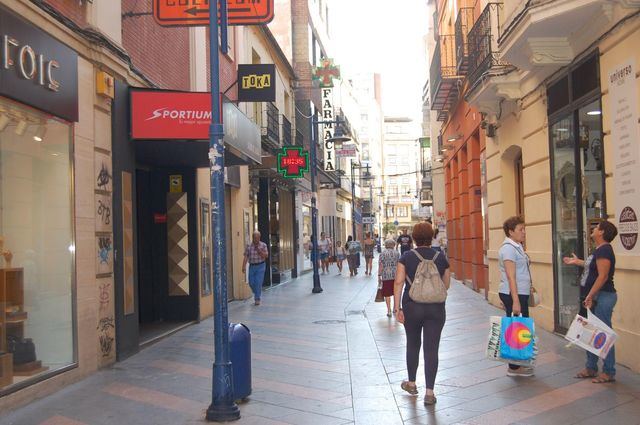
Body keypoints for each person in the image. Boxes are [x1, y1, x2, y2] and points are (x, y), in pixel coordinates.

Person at [394, 222, 450, 405]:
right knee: (432, 349)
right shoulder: (440, 257)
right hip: (436, 308)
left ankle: (411, 383)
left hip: (412, 306)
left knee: (413, 343)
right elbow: (446, 285)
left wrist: (397, 308)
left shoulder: (407, 257)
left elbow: (398, 282)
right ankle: (430, 393)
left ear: (414, 238)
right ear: (431, 237)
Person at [564, 220, 618, 384]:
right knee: (591, 332)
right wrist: (577, 262)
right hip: (596, 296)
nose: (593, 229)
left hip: (602, 296)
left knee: (603, 333)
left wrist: (590, 295)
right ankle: (591, 367)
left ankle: (608, 371)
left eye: (596, 228)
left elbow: (603, 276)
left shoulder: (604, 251)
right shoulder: (600, 250)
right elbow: (593, 267)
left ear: (601, 232)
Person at [498, 216, 533, 377]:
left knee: (519, 329)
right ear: (511, 232)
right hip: (515, 294)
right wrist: (516, 301)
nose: (524, 232)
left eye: (524, 229)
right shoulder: (509, 249)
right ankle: (514, 367)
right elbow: (511, 276)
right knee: (516, 330)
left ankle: (518, 364)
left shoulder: (517, 246)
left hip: (519, 292)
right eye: (521, 229)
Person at [242, 231, 269, 306]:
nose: (256, 239)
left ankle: (257, 298)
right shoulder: (249, 246)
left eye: (257, 238)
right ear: (253, 238)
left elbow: (266, 256)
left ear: (259, 238)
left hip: (261, 266)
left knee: (258, 282)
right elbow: (246, 256)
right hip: (252, 266)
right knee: (251, 282)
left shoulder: (263, 245)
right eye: (255, 238)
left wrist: (259, 250)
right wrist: (243, 266)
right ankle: (257, 292)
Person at [379, 239, 400, 317]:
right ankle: (395, 308)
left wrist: (379, 275)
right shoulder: (397, 253)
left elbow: (381, 265)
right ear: (393, 245)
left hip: (386, 276)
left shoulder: (383, 253)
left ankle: (389, 310)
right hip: (396, 275)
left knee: (387, 294)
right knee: (396, 292)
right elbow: (399, 264)